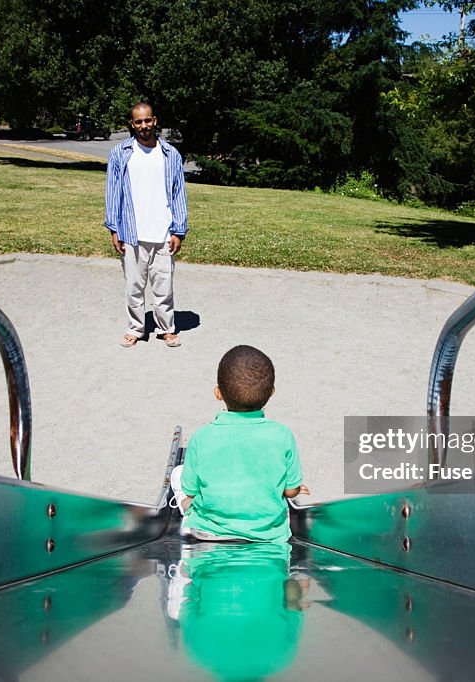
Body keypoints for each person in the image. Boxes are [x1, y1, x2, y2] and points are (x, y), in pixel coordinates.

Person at [170, 345, 310, 543]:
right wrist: (295, 488)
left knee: (179, 476)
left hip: (209, 531)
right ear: (271, 392)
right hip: (268, 534)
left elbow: (191, 490)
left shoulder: (202, 437)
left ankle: (189, 518)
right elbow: (289, 491)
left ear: (218, 393)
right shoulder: (282, 435)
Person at [105, 101, 188, 348]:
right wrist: (114, 228)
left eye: (147, 120)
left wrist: (178, 230)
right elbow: (113, 193)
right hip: (132, 232)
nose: (143, 125)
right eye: (138, 121)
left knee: (164, 286)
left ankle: (166, 328)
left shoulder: (171, 155)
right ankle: (135, 328)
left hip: (163, 232)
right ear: (132, 124)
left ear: (155, 121)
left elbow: (178, 194)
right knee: (134, 286)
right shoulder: (120, 153)